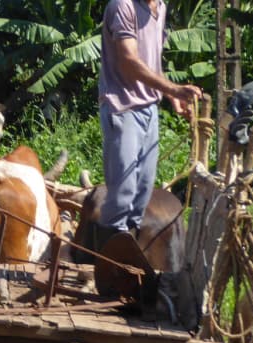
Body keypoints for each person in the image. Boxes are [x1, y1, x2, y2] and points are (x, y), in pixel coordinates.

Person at [96, 0, 202, 243]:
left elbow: (152, 61)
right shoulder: (123, 6)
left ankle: (129, 249)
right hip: (122, 107)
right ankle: (105, 259)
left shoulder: (160, 8)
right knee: (123, 193)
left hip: (149, 109)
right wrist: (174, 89)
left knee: (143, 190)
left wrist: (170, 96)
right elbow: (129, 61)